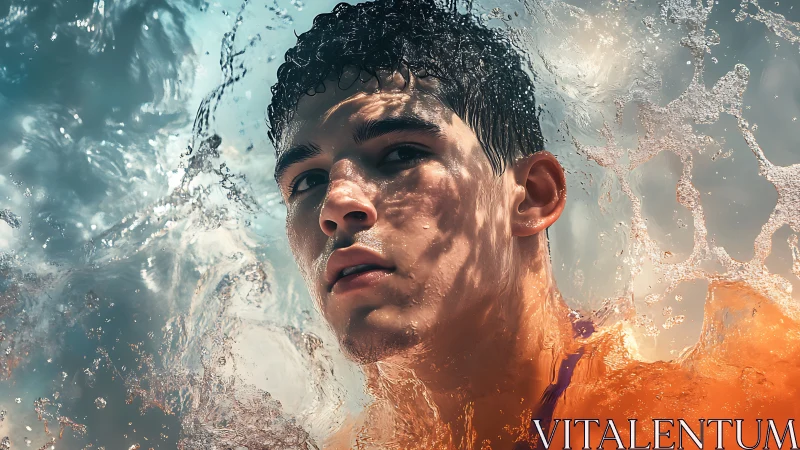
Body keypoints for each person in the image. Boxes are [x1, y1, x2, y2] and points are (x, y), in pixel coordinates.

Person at [265, 0, 800, 448]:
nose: (335, 203)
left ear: (531, 197)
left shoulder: (719, 407)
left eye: (400, 153)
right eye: (306, 182)